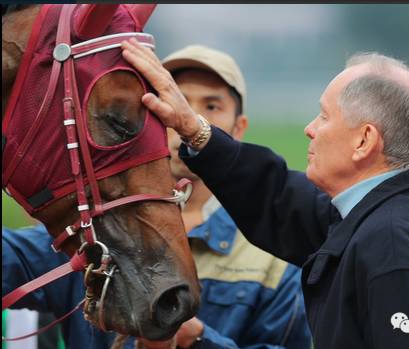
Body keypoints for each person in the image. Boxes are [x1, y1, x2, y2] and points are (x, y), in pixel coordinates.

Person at [121, 39, 409, 349]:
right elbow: (280, 198)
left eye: (323, 116)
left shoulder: (396, 248)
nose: (309, 129)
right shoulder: (383, 216)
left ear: (364, 140)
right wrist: (195, 130)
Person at [2, 45, 311, 349]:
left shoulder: (274, 255)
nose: (184, 118)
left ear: (238, 128)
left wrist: (199, 341)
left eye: (212, 107)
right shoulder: (98, 229)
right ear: (147, 116)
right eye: (172, 100)